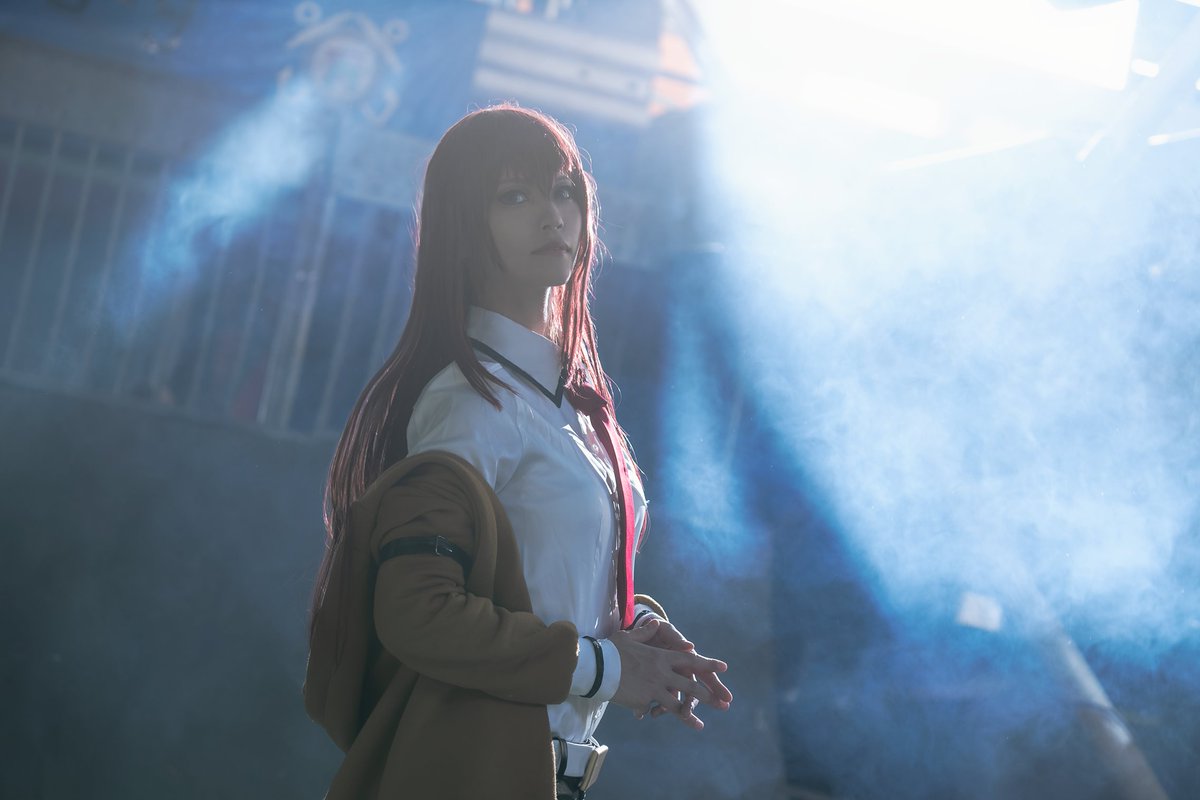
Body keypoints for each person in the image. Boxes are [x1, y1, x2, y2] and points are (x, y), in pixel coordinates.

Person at [304, 104, 732, 800]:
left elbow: (535, 572)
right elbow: (419, 612)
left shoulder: (572, 403)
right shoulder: (471, 402)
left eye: (564, 190)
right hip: (467, 775)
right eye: (515, 196)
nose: (552, 215)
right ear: (463, 225)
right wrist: (609, 669)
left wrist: (635, 630)